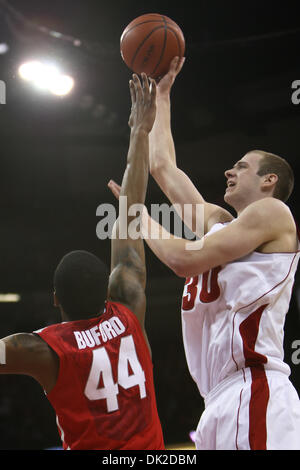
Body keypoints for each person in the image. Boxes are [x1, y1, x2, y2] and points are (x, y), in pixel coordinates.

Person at [108, 57, 300, 450]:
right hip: (217, 400)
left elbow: (184, 260)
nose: (230, 172)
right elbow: (162, 167)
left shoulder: (273, 213)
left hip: (256, 388)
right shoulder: (221, 224)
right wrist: (163, 97)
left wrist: (138, 215)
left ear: (269, 180)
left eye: (241, 167)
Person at [0, 73, 165, 450]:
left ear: (55, 298)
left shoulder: (43, 349)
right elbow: (131, 210)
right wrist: (140, 131)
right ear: (108, 286)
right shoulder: (129, 309)